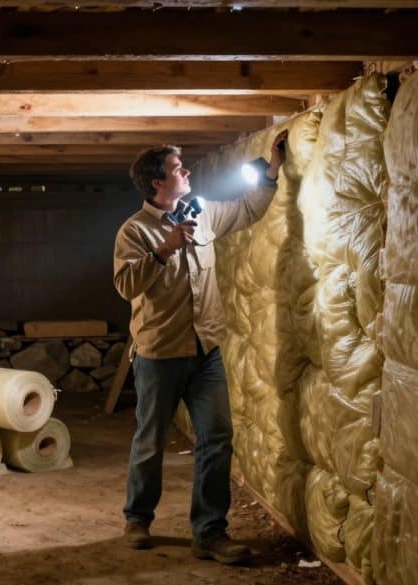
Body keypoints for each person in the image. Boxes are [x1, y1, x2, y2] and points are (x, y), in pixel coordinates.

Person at [113, 131, 288, 564]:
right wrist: (162, 252)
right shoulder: (134, 232)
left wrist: (271, 170)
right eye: (177, 168)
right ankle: (138, 518)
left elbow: (248, 209)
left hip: (205, 350)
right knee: (150, 441)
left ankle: (209, 532)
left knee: (217, 438)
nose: (187, 172)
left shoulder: (203, 213)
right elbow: (124, 285)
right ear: (157, 182)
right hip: (159, 354)